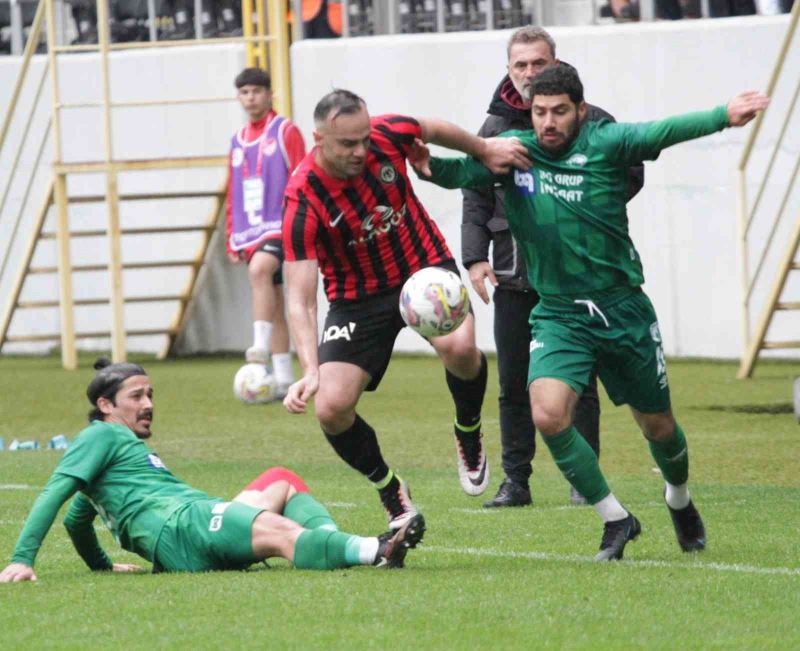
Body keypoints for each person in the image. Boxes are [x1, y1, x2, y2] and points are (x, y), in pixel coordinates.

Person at [412, 63, 769, 560]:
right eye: (539, 112)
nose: (548, 123)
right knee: (548, 413)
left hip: (623, 311)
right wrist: (421, 159)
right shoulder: (514, 153)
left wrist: (723, 115)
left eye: (559, 112)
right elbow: (450, 173)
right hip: (559, 314)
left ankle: (679, 498)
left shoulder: (606, 142)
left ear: (580, 110)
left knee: (658, 428)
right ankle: (616, 519)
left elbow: (662, 130)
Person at [281, 89, 531, 529]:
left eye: (364, 138)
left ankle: (468, 429)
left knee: (461, 347)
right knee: (331, 407)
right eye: (347, 144)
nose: (361, 150)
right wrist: (310, 367)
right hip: (357, 297)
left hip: (422, 267)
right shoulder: (302, 199)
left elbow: (433, 127)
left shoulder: (387, 133)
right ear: (319, 139)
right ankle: (389, 488)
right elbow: (299, 297)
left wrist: (483, 148)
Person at [0, 358, 425, 584]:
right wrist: (21, 560)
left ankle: (330, 547)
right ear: (107, 406)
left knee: (282, 480)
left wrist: (102, 567)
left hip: (192, 520)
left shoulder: (118, 450)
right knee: (278, 532)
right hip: (183, 527)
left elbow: (78, 519)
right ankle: (375, 549)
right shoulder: (98, 436)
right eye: (136, 396)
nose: (148, 404)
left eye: (150, 393)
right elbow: (54, 493)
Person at [462, 26, 644, 509]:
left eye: (537, 64)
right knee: (513, 381)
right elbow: (474, 194)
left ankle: (584, 482)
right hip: (513, 275)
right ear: (508, 70)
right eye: (520, 65)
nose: (529, 73)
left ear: (555, 62)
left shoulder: (592, 120)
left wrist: (578, 211)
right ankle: (515, 481)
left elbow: (632, 171)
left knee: (578, 382)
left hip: (573, 279)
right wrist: (475, 256)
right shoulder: (494, 130)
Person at [227, 68, 306, 398]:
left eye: (257, 91)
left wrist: (301, 220)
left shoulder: (285, 130)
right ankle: (285, 379)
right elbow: (233, 189)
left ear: (270, 94)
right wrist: (232, 232)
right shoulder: (237, 140)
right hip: (250, 229)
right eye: (244, 92)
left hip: (280, 223)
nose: (251, 98)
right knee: (272, 300)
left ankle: (258, 349)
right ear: (238, 97)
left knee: (260, 271)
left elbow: (302, 173)